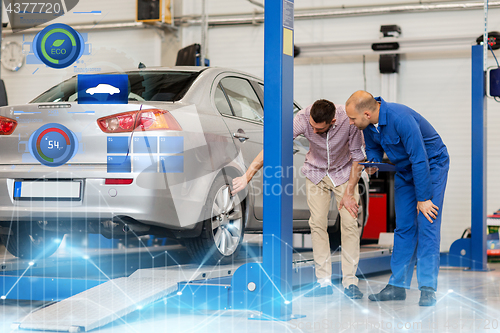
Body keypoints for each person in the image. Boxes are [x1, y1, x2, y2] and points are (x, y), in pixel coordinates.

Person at [232, 99, 366, 298]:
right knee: (317, 224)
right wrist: (247, 175)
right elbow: (273, 146)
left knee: (349, 224)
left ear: (333, 121)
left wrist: (349, 194)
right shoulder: (302, 118)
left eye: (319, 129)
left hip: (344, 174)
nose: (313, 131)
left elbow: (358, 157)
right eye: (311, 127)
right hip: (315, 173)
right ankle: (323, 282)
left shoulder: (348, 121)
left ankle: (350, 283)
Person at [345, 91, 449, 306]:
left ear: (366, 113)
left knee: (427, 222)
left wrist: (424, 198)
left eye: (352, 118)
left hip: (432, 165)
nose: (350, 122)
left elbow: (420, 158)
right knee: (403, 227)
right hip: (404, 169)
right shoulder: (368, 126)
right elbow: (373, 148)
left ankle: (428, 288)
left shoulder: (400, 118)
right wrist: (373, 164)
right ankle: (397, 286)